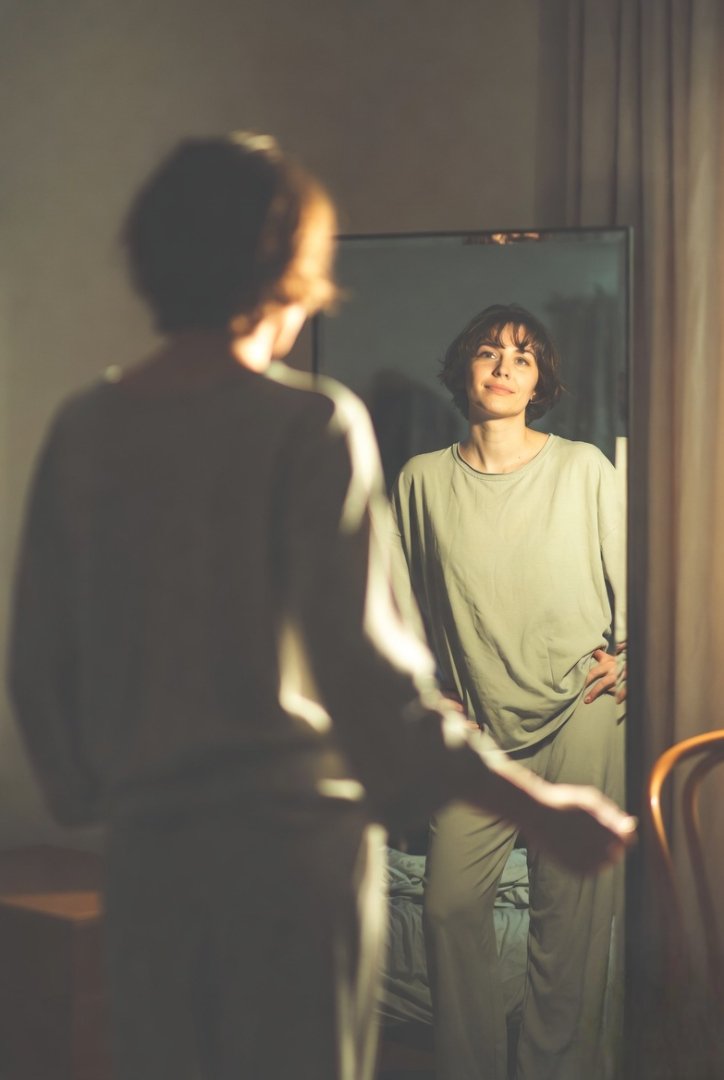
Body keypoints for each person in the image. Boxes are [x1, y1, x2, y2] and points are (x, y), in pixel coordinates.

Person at [8, 142, 634, 1080]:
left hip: (149, 854)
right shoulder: (312, 425)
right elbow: (374, 683)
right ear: (289, 271)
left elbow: (37, 662)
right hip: (291, 854)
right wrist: (539, 809)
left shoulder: (85, 425)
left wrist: (102, 795)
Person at [390, 303, 628, 1080]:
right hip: (478, 733)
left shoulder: (586, 468)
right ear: (466, 370)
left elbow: (640, 591)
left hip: (581, 715)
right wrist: (424, 689)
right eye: (489, 353)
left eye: (523, 358)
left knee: (572, 921)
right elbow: (398, 608)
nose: (503, 367)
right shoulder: (422, 480)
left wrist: (635, 656)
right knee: (450, 907)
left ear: (540, 382)